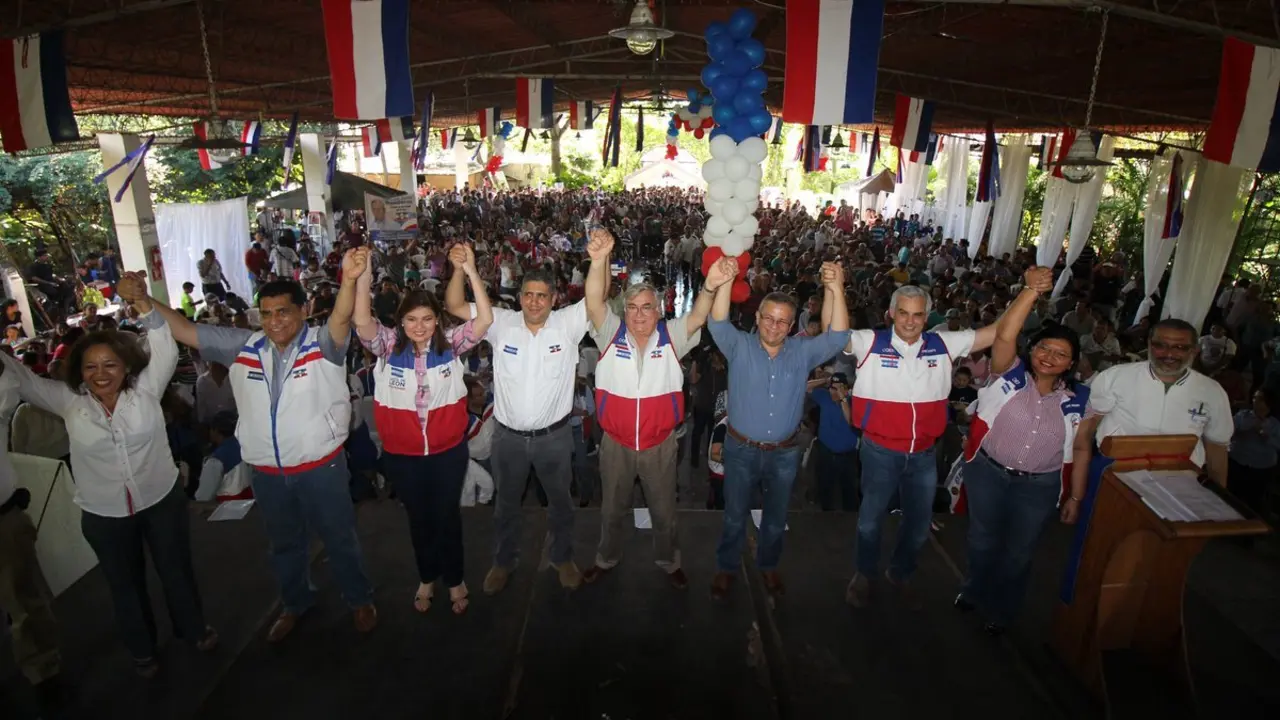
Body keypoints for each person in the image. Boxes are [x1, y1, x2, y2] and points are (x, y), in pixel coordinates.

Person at [147, 257, 377, 644]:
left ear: (302, 311)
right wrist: (145, 300)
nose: (274, 322)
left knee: (340, 537)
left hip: (321, 467)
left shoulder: (324, 345)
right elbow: (185, 330)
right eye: (267, 314)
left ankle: (359, 599)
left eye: (283, 312)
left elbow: (341, 317)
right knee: (284, 544)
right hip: (268, 472)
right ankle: (294, 602)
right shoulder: (244, 346)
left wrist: (349, 281)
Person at [1, 272, 216, 677]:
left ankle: (194, 630)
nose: (101, 374)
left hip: (160, 499)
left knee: (177, 572)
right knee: (124, 586)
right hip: (103, 515)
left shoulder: (148, 389)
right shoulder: (66, 402)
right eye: (90, 367)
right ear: (78, 371)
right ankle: (143, 650)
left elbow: (163, 342)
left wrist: (142, 300)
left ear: (126, 365)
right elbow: (22, 379)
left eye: (110, 365)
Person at [342, 243, 492, 615]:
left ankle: (455, 579)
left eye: (427, 319)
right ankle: (427, 576)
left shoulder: (451, 346)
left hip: (446, 454)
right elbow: (362, 320)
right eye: (412, 320)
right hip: (403, 456)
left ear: (438, 320)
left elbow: (485, 320)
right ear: (401, 322)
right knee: (418, 518)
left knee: (447, 516)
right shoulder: (388, 347)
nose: (420, 327)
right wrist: (361, 277)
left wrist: (471, 270)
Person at [843, 278, 1007, 611]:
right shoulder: (869, 342)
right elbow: (835, 334)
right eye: (903, 312)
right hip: (879, 450)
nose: (909, 320)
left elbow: (998, 331)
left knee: (918, 525)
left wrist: (1030, 293)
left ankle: (900, 573)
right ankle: (864, 573)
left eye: (917, 315)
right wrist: (834, 287)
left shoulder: (944, 343)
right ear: (891, 313)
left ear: (927, 317)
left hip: (923, 454)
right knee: (870, 519)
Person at [578, 229, 726, 590]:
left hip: (660, 446)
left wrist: (708, 288)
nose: (639, 314)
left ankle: (668, 560)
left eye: (647, 307)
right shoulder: (609, 333)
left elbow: (699, 317)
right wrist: (599, 261)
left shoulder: (672, 336)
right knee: (611, 511)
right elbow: (595, 300)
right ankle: (605, 558)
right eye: (632, 307)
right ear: (623, 310)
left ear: (658, 310)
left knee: (664, 513)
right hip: (616, 444)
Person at [952, 268, 1095, 635]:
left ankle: (1003, 609)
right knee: (982, 540)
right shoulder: (1009, 375)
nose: (1049, 356)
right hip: (989, 473)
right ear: (1031, 350)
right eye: (1044, 347)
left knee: (1020, 551)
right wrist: (1031, 291)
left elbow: (1080, 448)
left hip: (1039, 486)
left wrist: (1076, 497)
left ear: (1072, 362)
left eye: (1060, 353)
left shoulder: (1080, 400)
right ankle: (973, 588)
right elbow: (1004, 333)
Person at [706, 259, 851, 600]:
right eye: (768, 318)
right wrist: (726, 280)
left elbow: (840, 335)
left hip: (785, 452)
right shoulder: (738, 345)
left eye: (782, 321)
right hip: (740, 450)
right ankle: (727, 568)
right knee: (733, 516)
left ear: (790, 325)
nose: (774, 326)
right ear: (757, 318)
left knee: (775, 518)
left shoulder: (802, 352)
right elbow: (717, 320)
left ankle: (768, 566)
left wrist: (836, 287)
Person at [446, 258, 590, 595]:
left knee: (560, 503)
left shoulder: (566, 325)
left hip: (554, 438)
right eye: (528, 294)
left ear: (554, 299)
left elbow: (597, 297)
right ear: (520, 296)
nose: (534, 302)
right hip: (507, 439)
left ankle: (562, 557)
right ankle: (504, 561)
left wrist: (599, 260)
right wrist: (459, 269)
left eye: (542, 295)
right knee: (506, 505)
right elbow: (453, 304)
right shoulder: (500, 322)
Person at [0, 362, 61, 689]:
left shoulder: (5, 367)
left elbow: (42, 392)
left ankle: (45, 672)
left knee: (25, 600)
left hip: (4, 515)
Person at [809, 372, 860, 512]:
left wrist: (843, 398)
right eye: (832, 388)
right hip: (826, 451)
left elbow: (850, 420)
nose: (834, 391)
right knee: (825, 490)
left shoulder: (853, 402)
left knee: (849, 493)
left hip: (847, 455)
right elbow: (803, 387)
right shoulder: (824, 397)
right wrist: (825, 380)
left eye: (838, 388)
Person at [1227, 390, 1279, 517]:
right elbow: (1227, 430)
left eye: (1260, 399)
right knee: (1232, 497)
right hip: (1238, 462)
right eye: (1255, 398)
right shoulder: (1243, 415)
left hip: (1261, 468)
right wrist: (1241, 429)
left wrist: (1266, 436)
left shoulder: (1275, 423)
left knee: (1255, 501)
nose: (1256, 401)